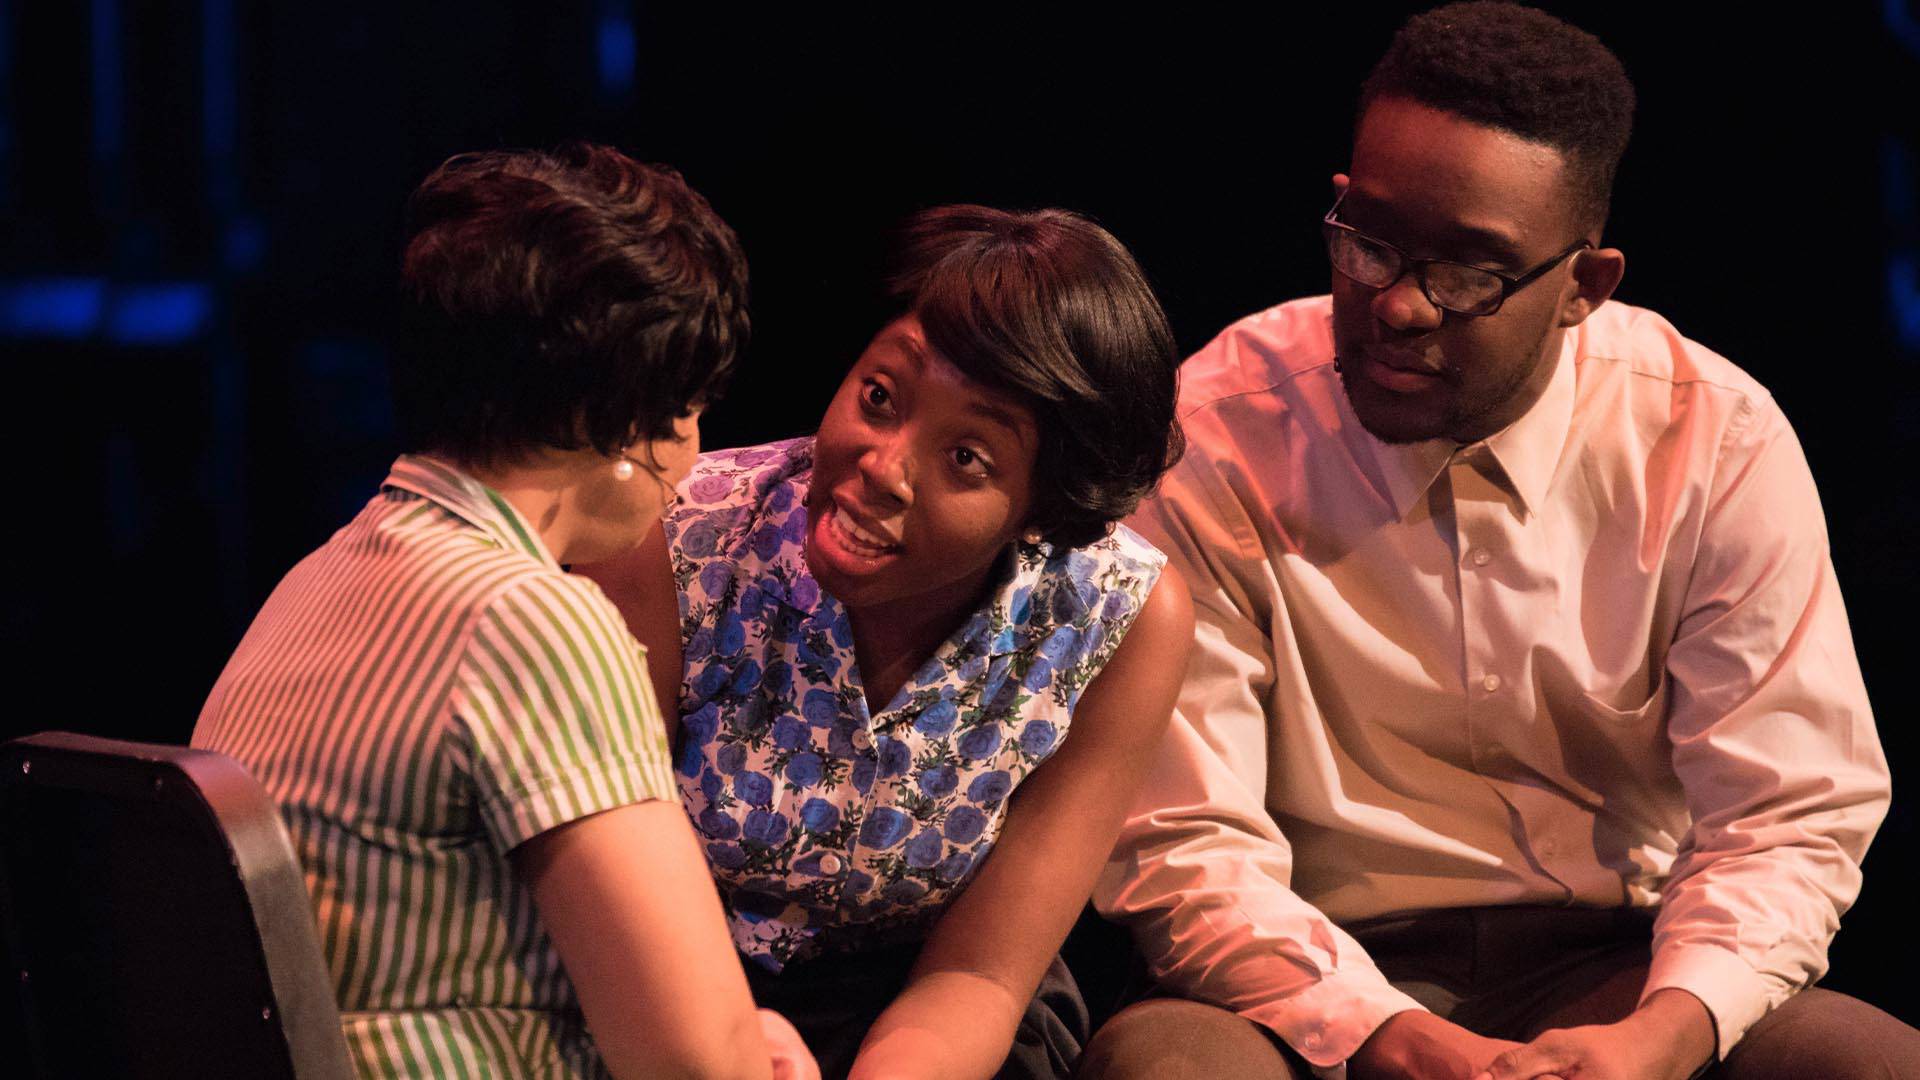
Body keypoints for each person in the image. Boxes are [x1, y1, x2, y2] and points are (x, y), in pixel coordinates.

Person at [1081, 5, 1917, 1079]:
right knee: (1165, 1068)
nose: (1400, 307)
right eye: (1371, 243)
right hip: (1303, 978)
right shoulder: (1218, 432)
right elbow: (1182, 839)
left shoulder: (1712, 438)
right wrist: (1379, 1030)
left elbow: (1788, 815)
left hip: (1624, 966)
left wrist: (1661, 1037)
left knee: (1869, 1064)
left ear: (1583, 288)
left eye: (1469, 272)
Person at [194, 144, 814, 1079]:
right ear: (623, 424)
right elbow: (697, 1063)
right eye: (689, 406)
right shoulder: (530, 622)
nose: (694, 455)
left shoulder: (311, 582)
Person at [578, 204, 1194, 1079]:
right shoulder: (677, 538)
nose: (883, 466)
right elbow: (614, 904)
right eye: (880, 397)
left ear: (1045, 509)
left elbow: (979, 974)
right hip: (664, 989)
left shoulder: (1117, 621)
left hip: (931, 1013)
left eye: (968, 458)